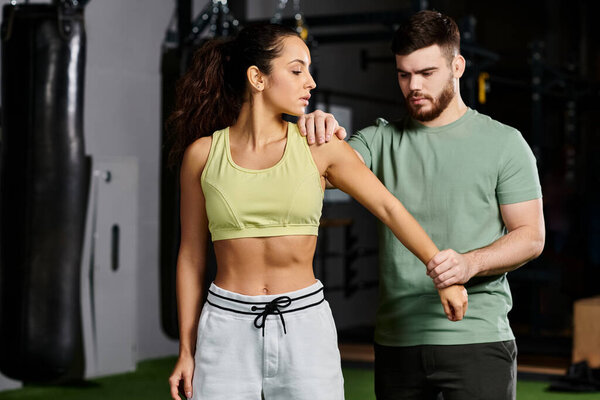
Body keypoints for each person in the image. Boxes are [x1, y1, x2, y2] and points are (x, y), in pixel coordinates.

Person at [166, 23, 468, 400]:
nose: (310, 81)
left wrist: (443, 274)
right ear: (257, 78)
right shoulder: (202, 155)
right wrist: (186, 350)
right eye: (296, 70)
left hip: (304, 324)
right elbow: (191, 255)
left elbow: (389, 208)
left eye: (309, 70)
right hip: (226, 326)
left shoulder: (320, 148)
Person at [299, 10, 545, 400]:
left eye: (427, 73)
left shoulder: (504, 142)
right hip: (398, 341)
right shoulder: (379, 139)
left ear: (457, 66)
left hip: (476, 337)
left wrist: (470, 263)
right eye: (403, 74)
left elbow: (530, 237)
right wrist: (320, 130)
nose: (413, 86)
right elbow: (319, 175)